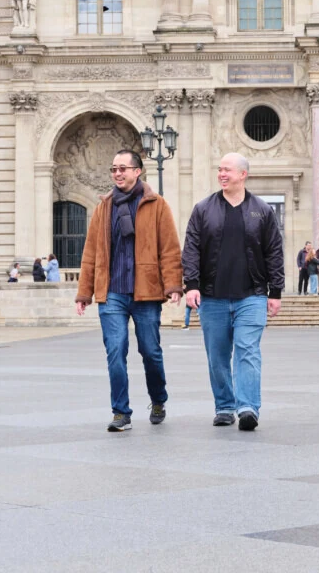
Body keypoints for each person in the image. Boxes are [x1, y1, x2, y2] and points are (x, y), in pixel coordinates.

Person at [76, 149, 183, 432]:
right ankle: (120, 412)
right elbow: (91, 253)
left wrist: (173, 285)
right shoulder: (103, 208)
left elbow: (170, 248)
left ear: (138, 171)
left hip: (146, 292)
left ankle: (158, 399)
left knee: (151, 352)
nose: (117, 173)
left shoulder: (156, 204)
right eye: (114, 169)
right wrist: (84, 293)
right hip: (112, 292)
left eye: (123, 168)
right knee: (115, 350)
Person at [182, 153, 284, 431]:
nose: (222, 174)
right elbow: (191, 249)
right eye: (220, 170)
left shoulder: (262, 210)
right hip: (212, 297)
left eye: (227, 170)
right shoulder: (203, 209)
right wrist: (191, 285)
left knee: (247, 350)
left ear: (243, 175)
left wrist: (275, 291)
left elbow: (274, 251)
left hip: (251, 296)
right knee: (217, 356)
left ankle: (248, 407)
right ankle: (225, 406)